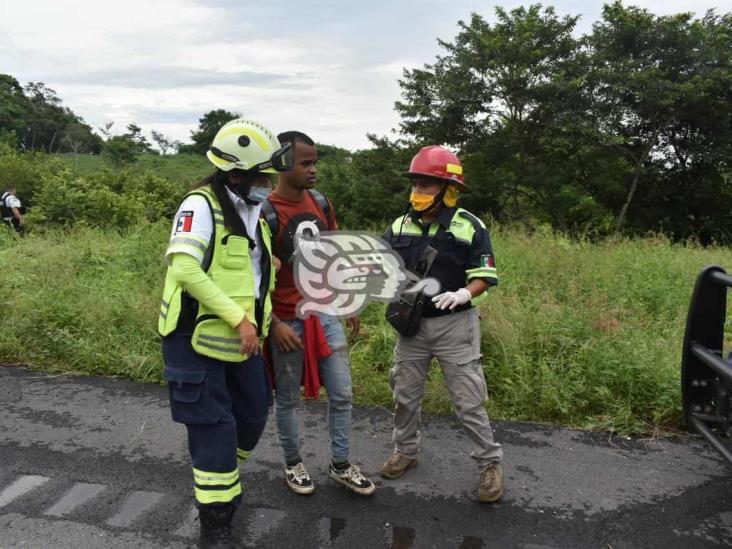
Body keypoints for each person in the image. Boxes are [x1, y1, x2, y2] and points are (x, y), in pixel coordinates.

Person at [158, 118, 290, 548]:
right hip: (194, 338)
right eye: (262, 175)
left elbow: (247, 270)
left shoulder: (254, 213)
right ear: (237, 174)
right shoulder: (199, 206)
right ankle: (216, 526)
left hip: (242, 340)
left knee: (253, 413)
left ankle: (217, 475)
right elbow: (184, 268)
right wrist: (238, 317)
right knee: (213, 426)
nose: (268, 183)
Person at [380, 145, 504, 503]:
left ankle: (489, 464)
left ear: (449, 189)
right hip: (412, 327)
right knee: (405, 395)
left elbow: (485, 275)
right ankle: (405, 451)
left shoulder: (469, 226)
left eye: (427, 184)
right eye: (416, 183)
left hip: (455, 325)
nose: (418, 191)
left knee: (468, 401)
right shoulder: (399, 225)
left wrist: (464, 294)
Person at [262, 130, 376, 497]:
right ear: (282, 163)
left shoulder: (321, 203)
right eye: (305, 163)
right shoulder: (265, 213)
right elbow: (252, 279)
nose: (313, 170)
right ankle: (293, 463)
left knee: (342, 393)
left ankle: (340, 464)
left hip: (324, 313)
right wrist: (274, 324)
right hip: (286, 320)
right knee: (288, 399)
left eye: (315, 162)